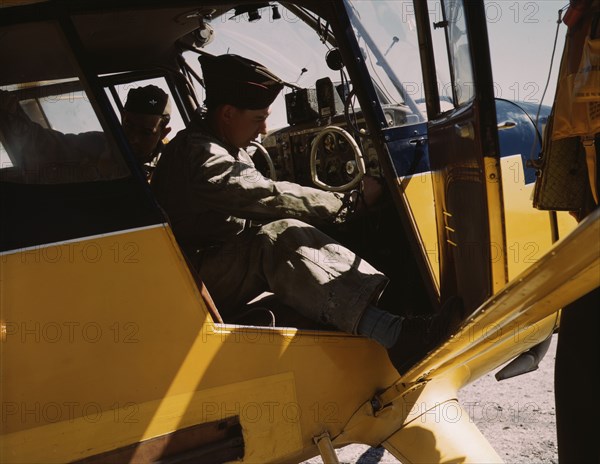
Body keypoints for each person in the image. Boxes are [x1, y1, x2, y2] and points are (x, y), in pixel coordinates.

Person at [151, 54, 452, 374]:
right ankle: (397, 336)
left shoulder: (220, 145)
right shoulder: (200, 153)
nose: (265, 128)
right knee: (279, 238)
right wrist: (346, 203)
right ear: (227, 113)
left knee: (292, 232)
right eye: (258, 119)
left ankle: (387, 315)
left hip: (198, 269)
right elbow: (263, 194)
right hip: (188, 279)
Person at [0, 85, 171, 181]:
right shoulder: (97, 144)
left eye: (146, 133)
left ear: (164, 132)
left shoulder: (171, 166)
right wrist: (10, 110)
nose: (133, 138)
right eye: (129, 125)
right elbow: (43, 144)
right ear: (121, 118)